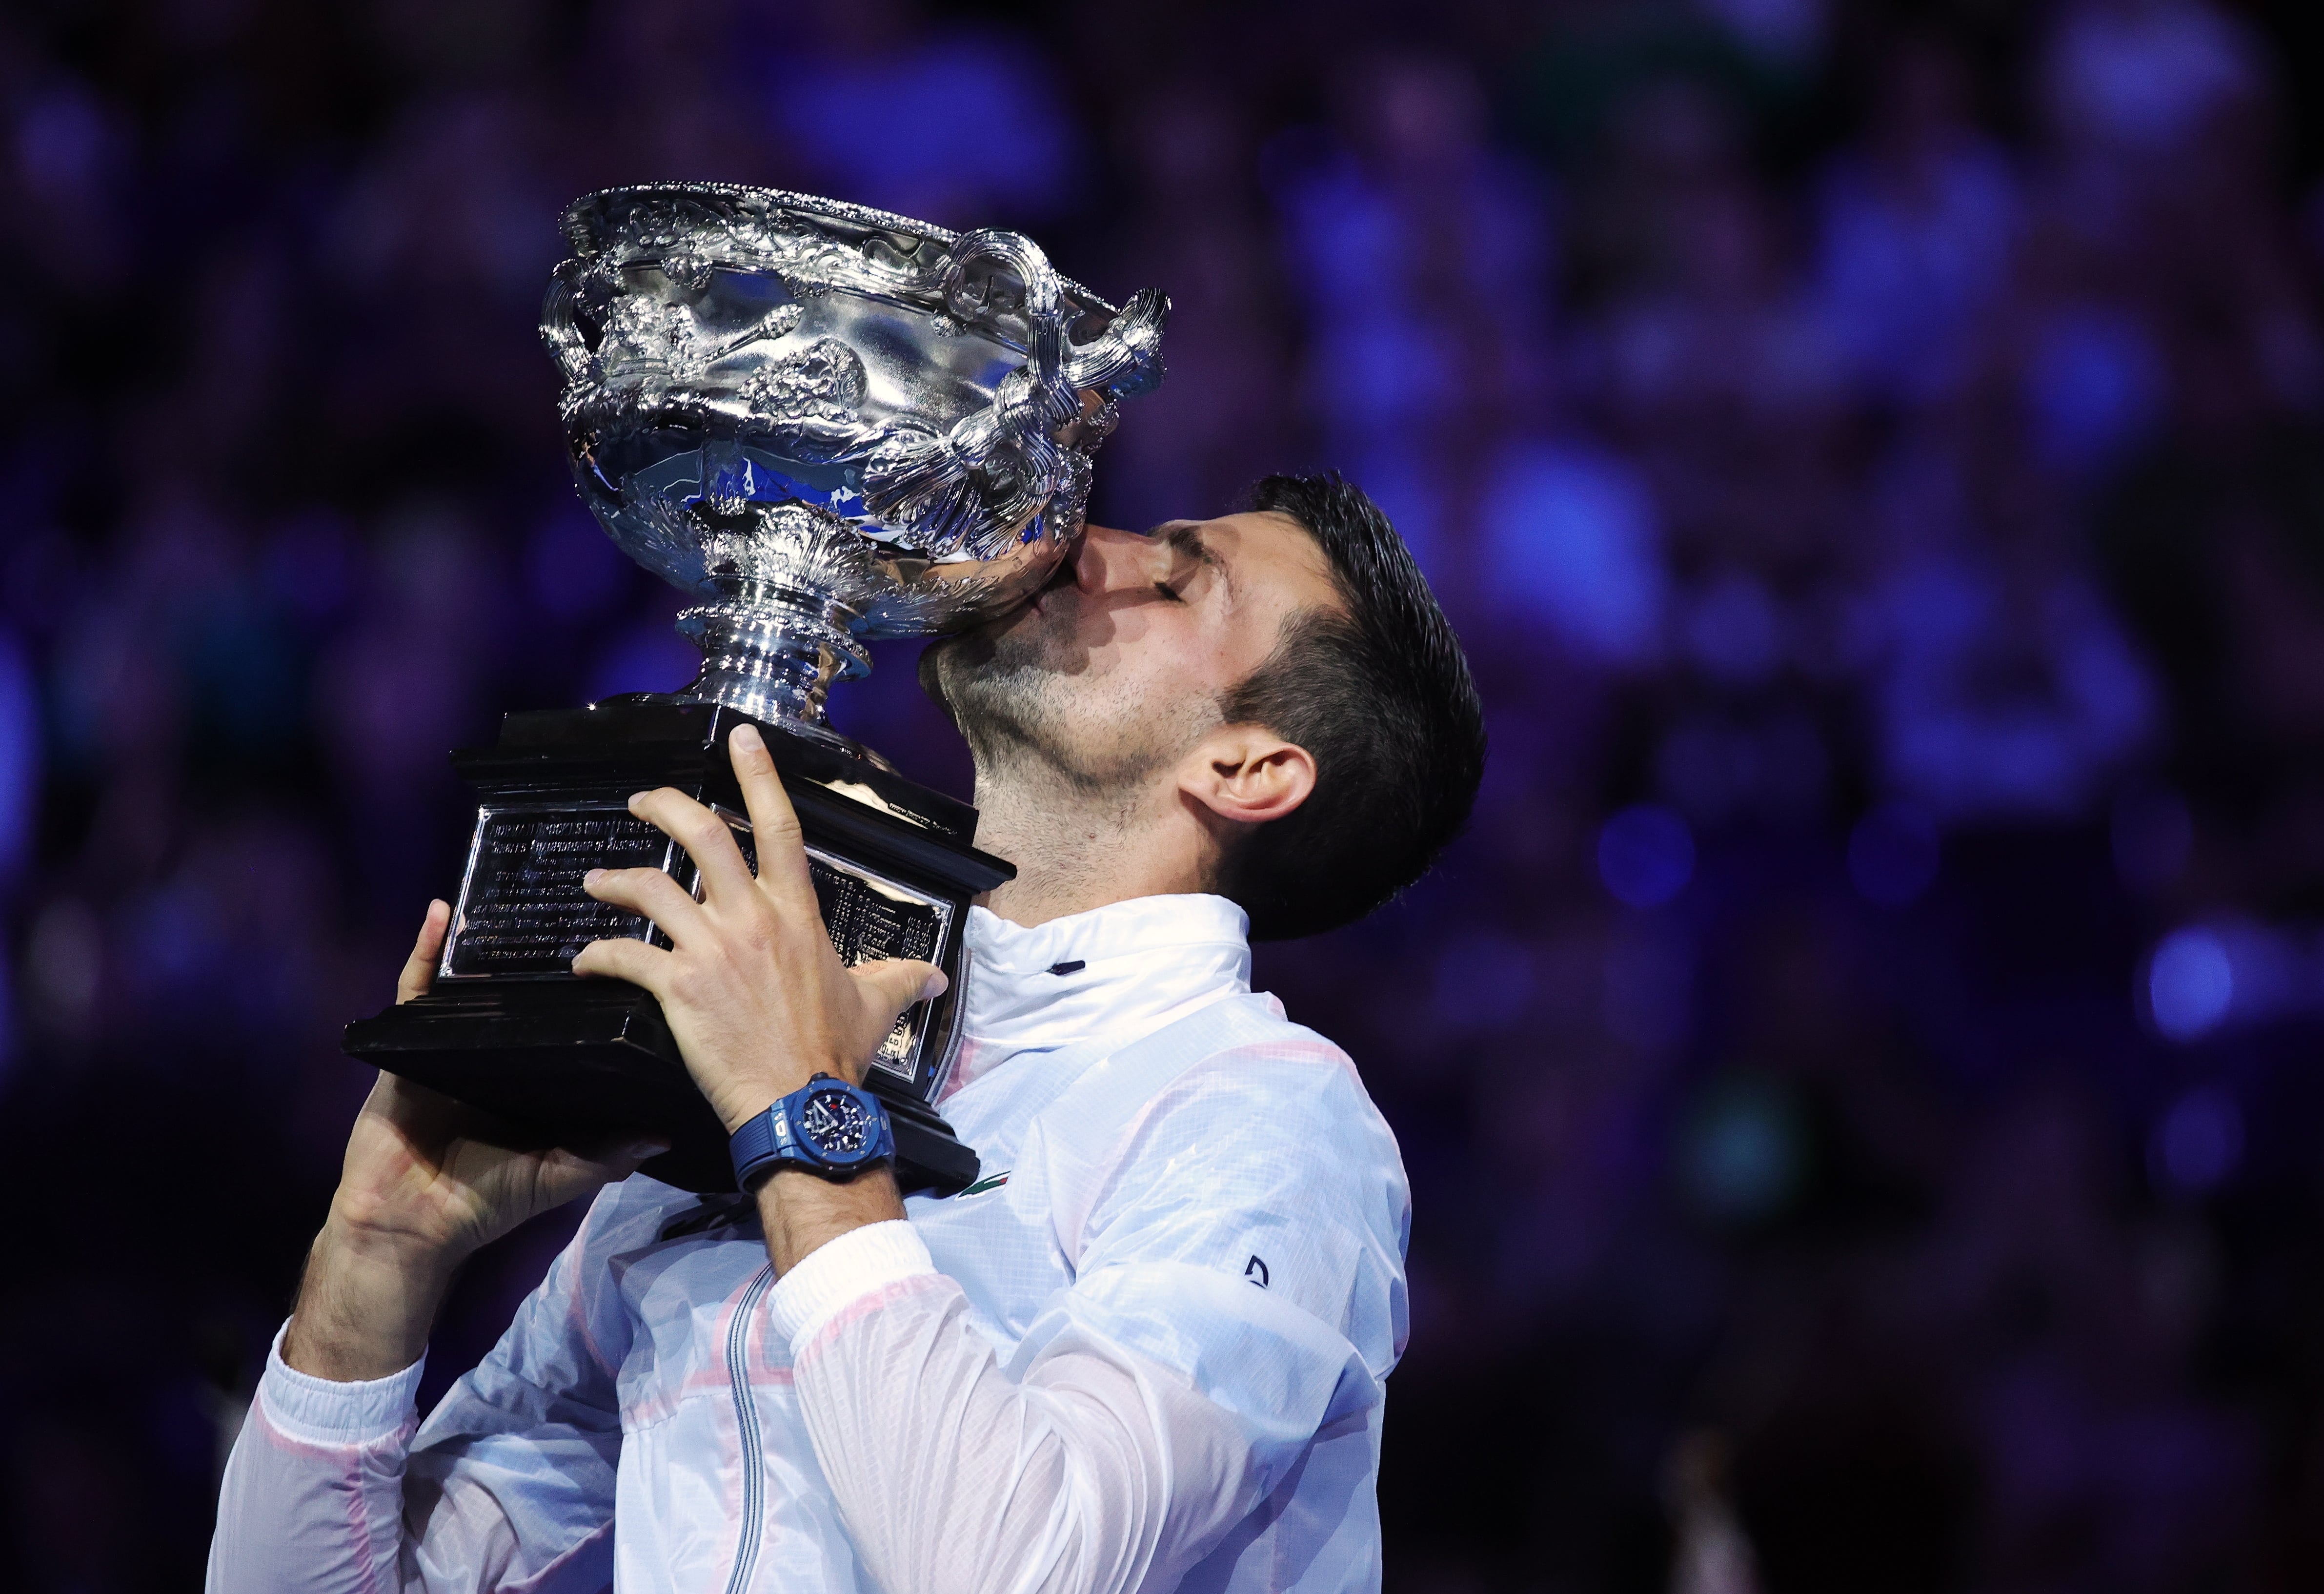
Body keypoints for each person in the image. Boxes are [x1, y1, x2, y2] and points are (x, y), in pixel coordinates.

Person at [207, 472, 1485, 1594]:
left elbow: (1021, 1566)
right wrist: (370, 1268)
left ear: (1249, 770)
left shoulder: (1261, 1116)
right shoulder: (767, 1039)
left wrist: (810, 1124)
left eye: (1169, 580)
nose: (1084, 543)